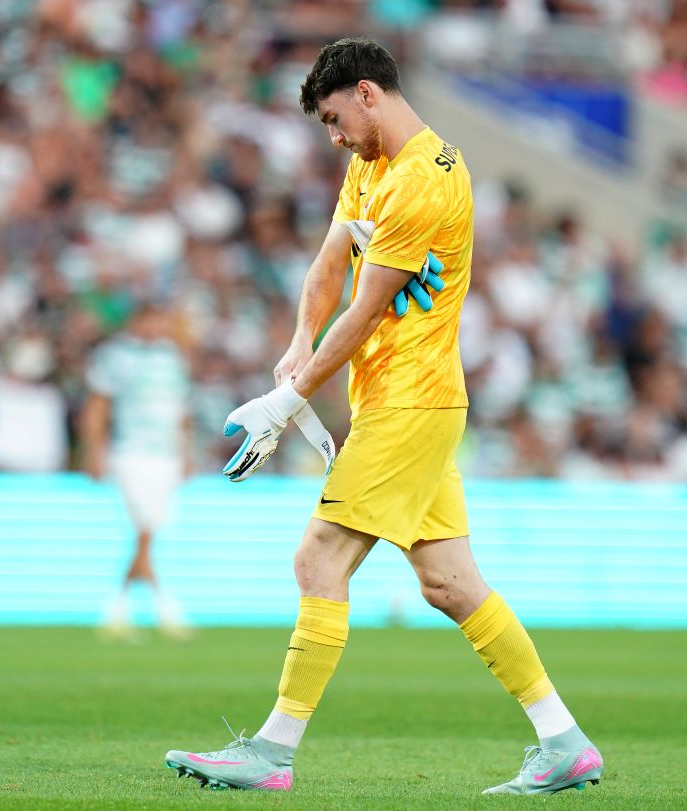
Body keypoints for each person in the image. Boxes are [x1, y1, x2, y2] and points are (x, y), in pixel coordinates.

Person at [164, 37, 601, 796]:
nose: (333, 138)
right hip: (409, 400)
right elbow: (332, 263)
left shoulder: (427, 181)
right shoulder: (368, 164)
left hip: (409, 399)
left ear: (368, 94)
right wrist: (298, 345)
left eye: (335, 119)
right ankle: (563, 739)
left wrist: (288, 400)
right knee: (450, 582)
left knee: (318, 560)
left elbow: (366, 312)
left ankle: (272, 752)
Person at [81, 300, 192, 639]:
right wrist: (93, 451)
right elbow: (98, 406)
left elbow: (180, 411)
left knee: (149, 529)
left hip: (166, 455)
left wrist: (186, 452)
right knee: (145, 527)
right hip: (131, 451)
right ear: (136, 321)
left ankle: (119, 605)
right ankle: (162, 605)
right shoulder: (115, 356)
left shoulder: (172, 359)